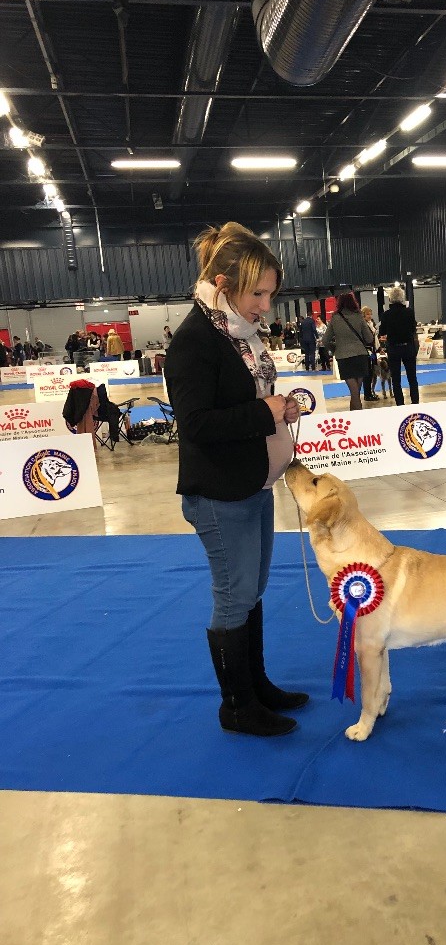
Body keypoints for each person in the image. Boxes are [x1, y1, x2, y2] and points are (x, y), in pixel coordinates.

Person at [163, 220, 307, 739]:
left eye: (271, 293)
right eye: (259, 293)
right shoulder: (194, 341)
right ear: (224, 285)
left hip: (254, 485)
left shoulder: (237, 334)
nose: (266, 306)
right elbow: (196, 424)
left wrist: (277, 410)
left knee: (252, 589)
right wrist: (263, 412)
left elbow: (242, 406)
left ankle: (257, 685)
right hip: (220, 493)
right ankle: (237, 706)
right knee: (234, 593)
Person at [323, 292, 371, 410]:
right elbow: (369, 338)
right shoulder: (359, 316)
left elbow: (325, 340)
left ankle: (355, 420)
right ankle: (357, 420)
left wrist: (335, 348)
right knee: (356, 393)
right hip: (360, 356)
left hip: (344, 357)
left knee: (354, 394)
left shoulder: (335, 318)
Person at [378, 284, 419, 406]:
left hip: (394, 349)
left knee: (396, 379)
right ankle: (415, 402)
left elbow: (382, 332)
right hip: (408, 347)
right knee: (412, 378)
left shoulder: (386, 314)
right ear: (402, 298)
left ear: (390, 299)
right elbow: (413, 328)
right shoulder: (409, 312)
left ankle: (400, 404)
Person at [360, 306, 380, 401]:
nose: (369, 316)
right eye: (367, 314)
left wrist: (378, 348)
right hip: (366, 350)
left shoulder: (372, 323)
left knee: (372, 373)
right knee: (367, 374)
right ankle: (367, 394)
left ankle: (371, 392)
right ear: (363, 315)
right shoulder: (363, 324)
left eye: (370, 314)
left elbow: (375, 337)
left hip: (373, 350)